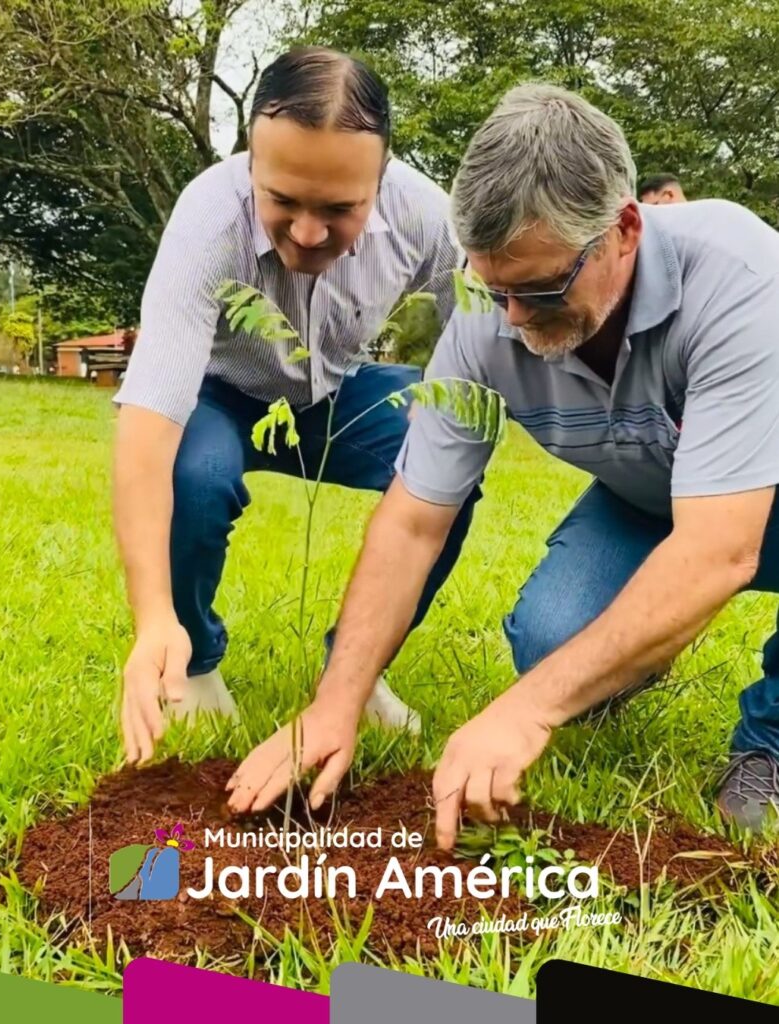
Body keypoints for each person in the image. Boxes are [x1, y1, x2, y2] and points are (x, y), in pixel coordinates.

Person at [227, 83, 779, 843]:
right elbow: (413, 523)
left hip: (759, 494)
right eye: (497, 291)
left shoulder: (739, 278)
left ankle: (768, 744)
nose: (513, 323)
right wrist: (335, 703)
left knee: (567, 675)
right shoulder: (488, 315)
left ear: (623, 229)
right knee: (553, 642)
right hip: (654, 492)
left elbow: (718, 548)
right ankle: (635, 647)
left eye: (541, 289)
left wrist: (525, 711)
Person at [113, 46, 480, 766]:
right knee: (194, 477)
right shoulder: (207, 220)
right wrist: (152, 618)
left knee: (448, 455)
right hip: (219, 396)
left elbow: (480, 336)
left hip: (335, 393)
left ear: (381, 178)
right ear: (251, 161)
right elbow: (151, 416)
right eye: (282, 200)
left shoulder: (427, 217)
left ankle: (356, 667)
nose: (308, 234)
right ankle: (194, 661)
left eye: (340, 209)